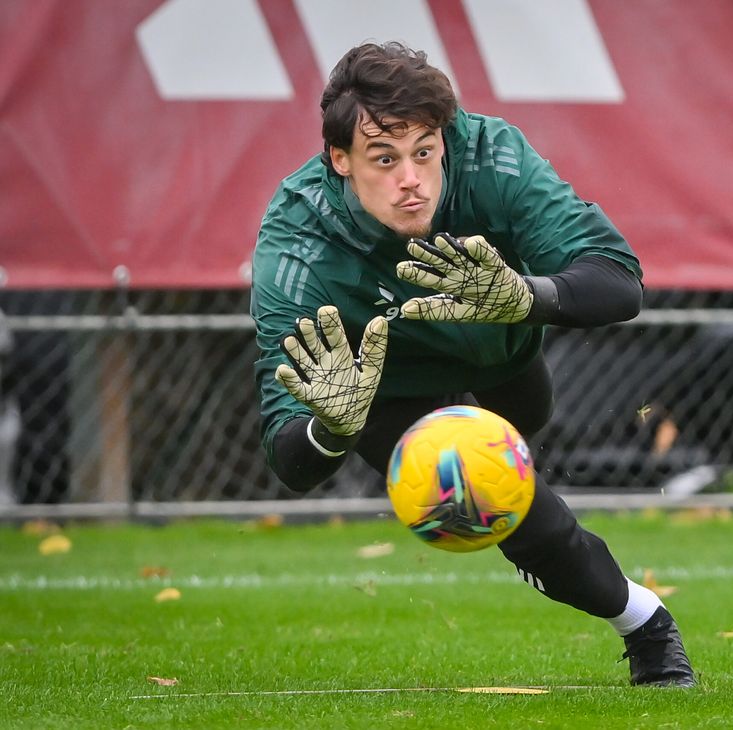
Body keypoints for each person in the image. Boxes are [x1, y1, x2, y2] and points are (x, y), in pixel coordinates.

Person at [250, 41, 695, 688]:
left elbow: (619, 280)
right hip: (389, 390)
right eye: (384, 158)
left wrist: (526, 297)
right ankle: (647, 624)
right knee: (502, 501)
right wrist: (332, 428)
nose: (411, 178)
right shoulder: (297, 245)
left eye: (424, 152)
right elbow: (287, 459)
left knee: (528, 421)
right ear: (338, 160)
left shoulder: (491, 156)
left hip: (504, 354)